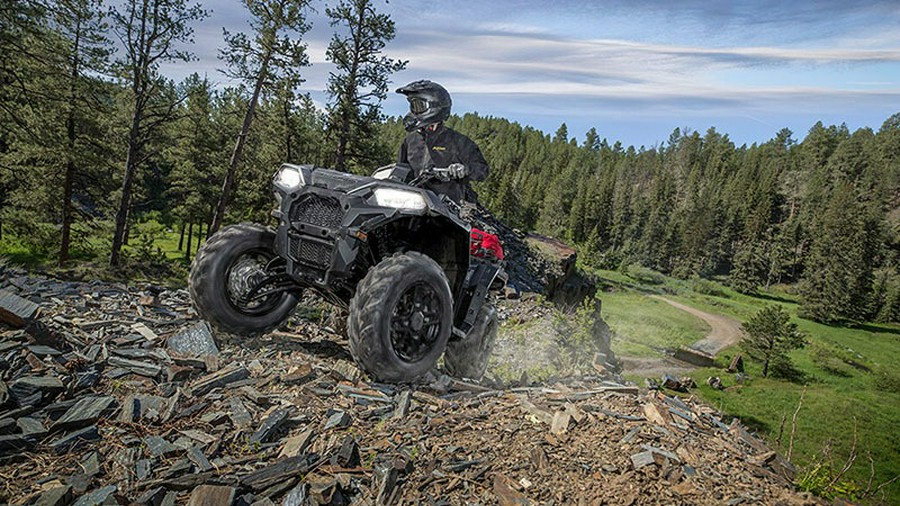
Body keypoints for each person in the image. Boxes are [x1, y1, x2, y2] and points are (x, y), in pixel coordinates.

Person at [395, 80, 489, 204]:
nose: (413, 112)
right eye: (412, 106)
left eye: (418, 106)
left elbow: (482, 170)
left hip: (448, 208)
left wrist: (464, 170)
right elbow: (401, 169)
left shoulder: (459, 141)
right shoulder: (410, 141)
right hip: (414, 205)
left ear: (435, 107)